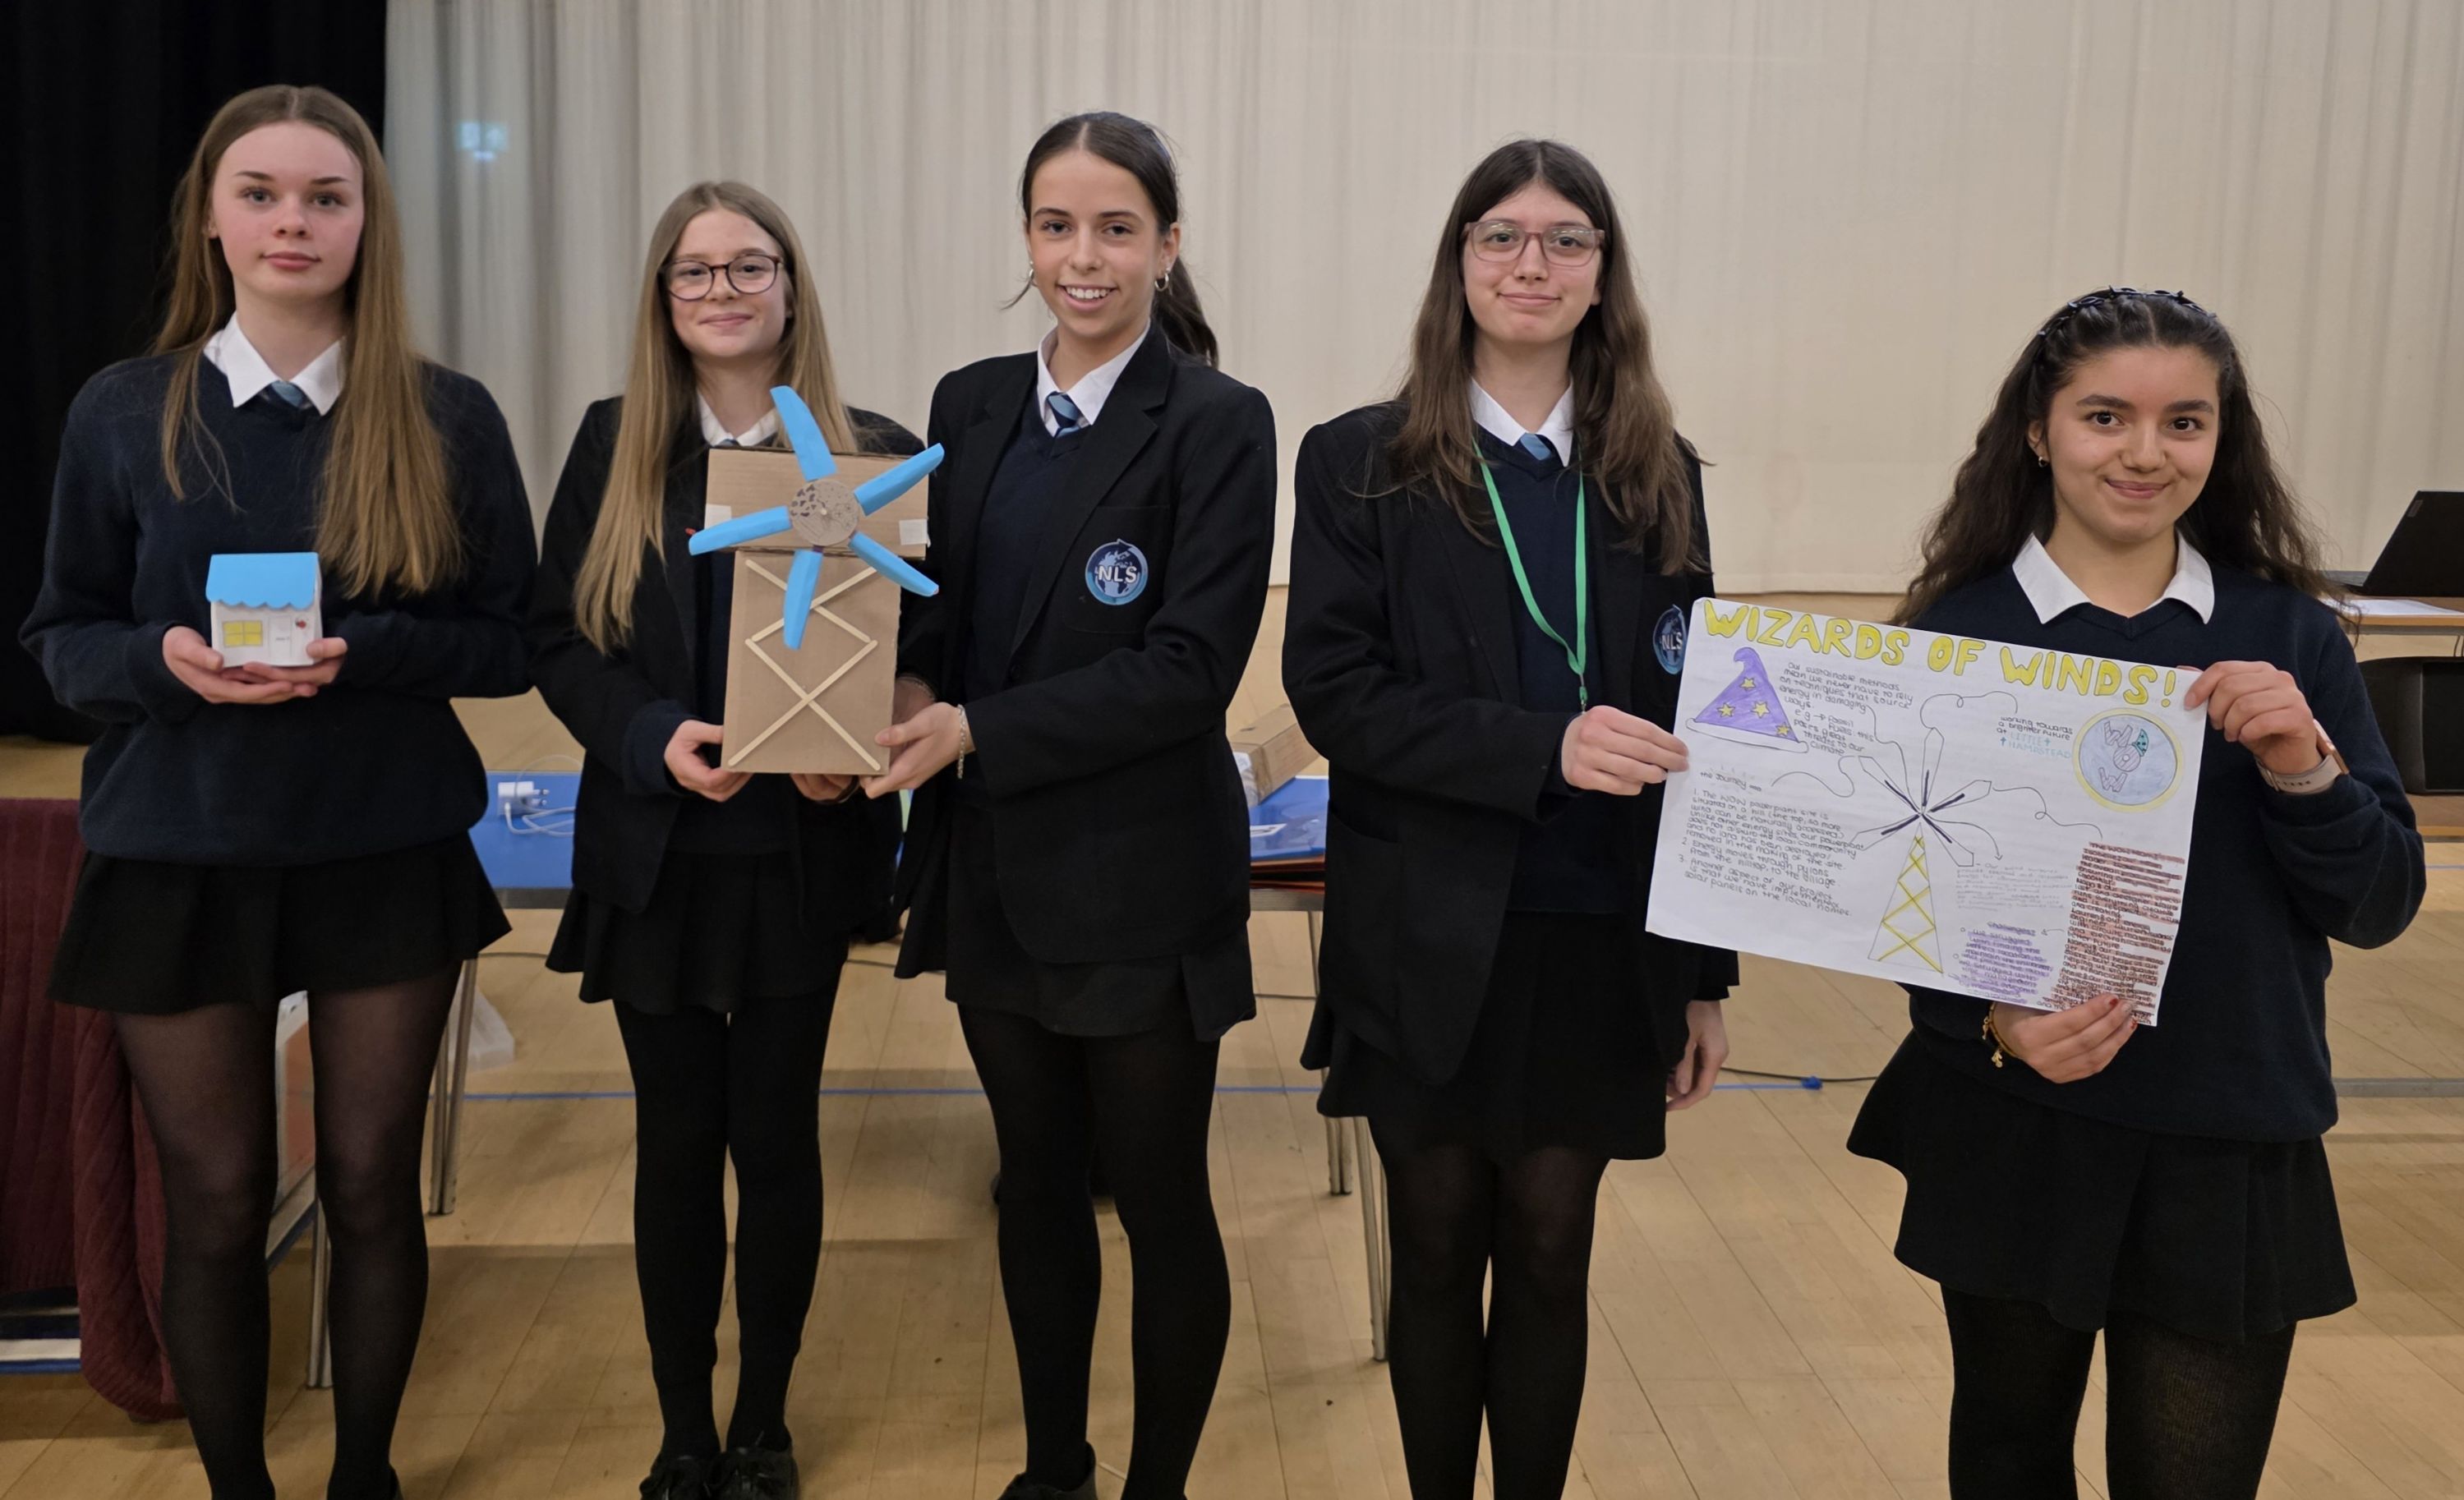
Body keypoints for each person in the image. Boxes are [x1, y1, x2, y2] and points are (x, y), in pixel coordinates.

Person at [22, 84, 535, 1500]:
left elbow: (513, 638)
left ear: (369, 222)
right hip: (178, 850)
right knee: (217, 1201)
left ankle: (362, 1476)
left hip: (383, 843)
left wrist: (366, 653)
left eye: (326, 196)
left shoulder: (444, 415)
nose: (293, 221)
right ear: (212, 214)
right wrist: (166, 659)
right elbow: (60, 639)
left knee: (372, 1189)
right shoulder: (125, 411)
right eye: (262, 192)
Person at [1849, 287, 2427, 1500]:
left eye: (2185, 422)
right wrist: (1990, 1020)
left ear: (2223, 441)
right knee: (2007, 1461)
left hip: (2227, 1127)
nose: (2145, 453)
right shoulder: (1960, 632)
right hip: (2019, 1130)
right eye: (2106, 415)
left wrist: (2303, 768)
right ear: (2038, 430)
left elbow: (2378, 902)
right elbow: (1892, 898)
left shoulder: (2292, 635)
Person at [1281, 138, 1735, 1500]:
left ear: (1604, 278)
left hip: (1598, 933)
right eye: (1500, 236)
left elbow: (1706, 723)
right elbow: (1338, 695)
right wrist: (1545, 746)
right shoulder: (1360, 462)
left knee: (1550, 1248)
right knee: (1431, 1247)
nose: (1531, 264)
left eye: (1564, 241)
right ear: (1459, 265)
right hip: (1425, 926)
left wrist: (1703, 971)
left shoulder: (1663, 469)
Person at [863, 112, 1276, 1500]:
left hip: (1142, 879)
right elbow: (935, 614)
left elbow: (1186, 672)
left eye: (1115, 228)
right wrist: (892, 688)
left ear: (1168, 242)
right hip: (992, 873)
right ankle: (1056, 1470)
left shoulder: (1219, 421)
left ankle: (1156, 1482)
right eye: (1056, 225)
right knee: (1032, 1184)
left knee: (1159, 1201)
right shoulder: (968, 401)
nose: (1082, 257)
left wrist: (973, 725)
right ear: (1026, 236)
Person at [526, 180, 921, 1500]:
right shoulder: (612, 443)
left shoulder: (868, 448)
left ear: (792, 286)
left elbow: (912, 652)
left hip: (799, 860)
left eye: (748, 266)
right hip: (658, 858)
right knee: (675, 1142)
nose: (722, 291)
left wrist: (851, 755)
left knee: (779, 1135)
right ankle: (682, 1427)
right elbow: (558, 643)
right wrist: (650, 740)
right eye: (693, 273)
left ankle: (764, 1418)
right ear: (664, 300)